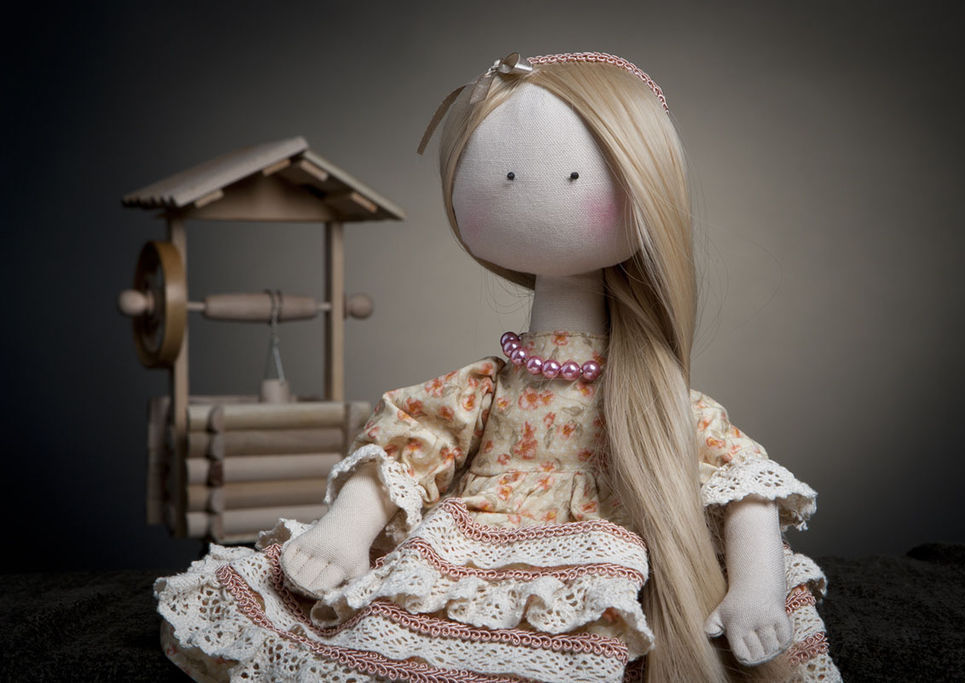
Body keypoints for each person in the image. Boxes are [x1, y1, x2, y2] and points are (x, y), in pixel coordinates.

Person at [155, 51, 841, 682]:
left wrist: (755, 585)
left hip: (606, 564)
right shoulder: (485, 389)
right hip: (474, 551)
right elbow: (409, 449)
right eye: (499, 175)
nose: (524, 191)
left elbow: (741, 485)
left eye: (573, 175)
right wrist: (346, 529)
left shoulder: (658, 403)